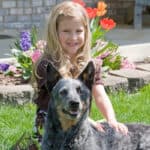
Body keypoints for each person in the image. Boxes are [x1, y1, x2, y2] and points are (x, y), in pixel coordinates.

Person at [32, 0, 128, 143]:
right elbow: (53, 102)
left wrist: (111, 119)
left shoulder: (90, 65)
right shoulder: (48, 65)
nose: (73, 37)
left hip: (78, 124)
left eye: (78, 31)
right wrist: (86, 120)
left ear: (86, 32)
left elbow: (100, 95)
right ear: (55, 32)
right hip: (52, 124)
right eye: (66, 31)